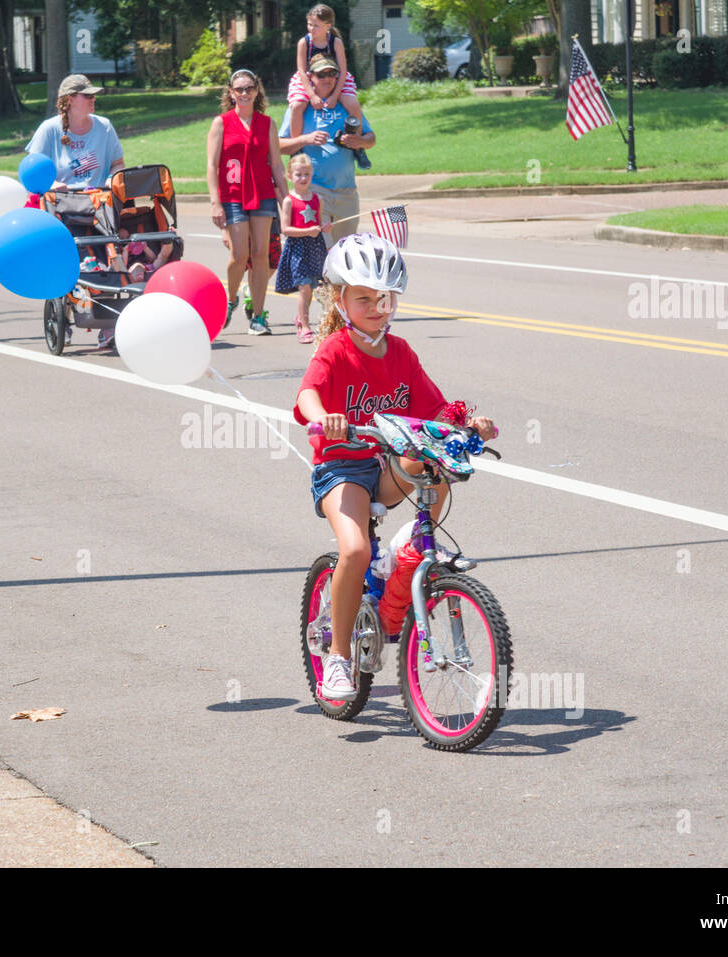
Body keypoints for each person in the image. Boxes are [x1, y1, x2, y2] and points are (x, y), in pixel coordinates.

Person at [293, 234, 496, 700]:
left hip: (382, 465)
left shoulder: (401, 352)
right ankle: (339, 658)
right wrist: (325, 415)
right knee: (355, 551)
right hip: (341, 469)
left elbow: (437, 409)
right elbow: (307, 395)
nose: (376, 307)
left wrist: (468, 424)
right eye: (364, 298)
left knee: (436, 456)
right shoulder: (335, 350)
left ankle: (413, 542)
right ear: (340, 299)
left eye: (384, 298)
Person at [206, 69, 289, 336]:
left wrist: (286, 199)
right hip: (232, 196)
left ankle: (258, 316)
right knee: (239, 255)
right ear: (231, 93)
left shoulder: (267, 124)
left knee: (261, 255)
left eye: (249, 88)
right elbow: (211, 165)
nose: (244, 93)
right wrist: (214, 202)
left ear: (257, 91)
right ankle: (231, 299)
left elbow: (276, 164)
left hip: (262, 193)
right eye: (239, 89)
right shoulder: (221, 123)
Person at [278, 55, 375, 248]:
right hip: (313, 191)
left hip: (346, 191)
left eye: (331, 73)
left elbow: (371, 138)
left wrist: (358, 141)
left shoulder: (347, 105)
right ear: (311, 78)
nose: (326, 78)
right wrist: (306, 139)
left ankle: (336, 281)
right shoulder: (300, 108)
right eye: (321, 74)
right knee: (320, 248)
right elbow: (279, 146)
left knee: (345, 249)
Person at [25, 75, 125, 192]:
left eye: (93, 96)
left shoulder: (104, 126)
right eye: (88, 96)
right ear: (70, 99)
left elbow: (118, 164)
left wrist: (112, 178)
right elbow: (32, 171)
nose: (93, 99)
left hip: (100, 200)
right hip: (62, 203)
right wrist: (51, 184)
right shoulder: (49, 129)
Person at [275, 153, 329, 344]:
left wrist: (324, 226)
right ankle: (304, 326)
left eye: (306, 174)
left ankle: (301, 317)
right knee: (304, 286)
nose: (303, 178)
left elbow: (319, 220)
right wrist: (307, 231)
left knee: (313, 286)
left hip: (315, 247)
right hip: (298, 247)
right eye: (299, 174)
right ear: (290, 176)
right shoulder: (289, 201)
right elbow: (285, 229)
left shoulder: (317, 199)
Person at [287, 4, 362, 139]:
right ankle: (296, 145)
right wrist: (312, 96)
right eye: (309, 24)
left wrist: (334, 96)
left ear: (328, 26)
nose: (311, 28)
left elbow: (343, 70)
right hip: (308, 78)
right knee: (297, 106)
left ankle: (357, 141)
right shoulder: (303, 43)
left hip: (336, 77)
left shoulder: (336, 42)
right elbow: (301, 71)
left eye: (316, 26)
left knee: (353, 104)